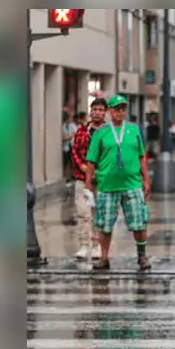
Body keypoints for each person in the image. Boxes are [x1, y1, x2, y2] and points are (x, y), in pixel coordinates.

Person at [85, 94, 151, 271]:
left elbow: (141, 156)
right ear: (109, 112)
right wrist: (88, 185)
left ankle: (142, 256)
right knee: (104, 225)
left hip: (132, 184)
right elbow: (91, 160)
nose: (121, 112)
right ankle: (104, 258)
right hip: (107, 186)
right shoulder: (101, 133)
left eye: (123, 108)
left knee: (139, 222)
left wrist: (146, 179)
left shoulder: (134, 130)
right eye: (117, 108)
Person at [70, 97, 107, 260]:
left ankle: (97, 245)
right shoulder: (82, 131)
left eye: (100, 110)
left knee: (100, 213)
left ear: (105, 112)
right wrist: (84, 168)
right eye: (94, 109)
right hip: (81, 178)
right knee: (83, 212)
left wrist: (99, 172)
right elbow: (74, 152)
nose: (97, 113)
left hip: (102, 180)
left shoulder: (109, 132)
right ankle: (84, 245)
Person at [62, 111, 78, 181]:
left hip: (69, 147)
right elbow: (63, 138)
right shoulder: (62, 126)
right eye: (68, 118)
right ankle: (65, 176)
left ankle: (70, 176)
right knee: (65, 163)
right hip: (64, 148)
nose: (69, 120)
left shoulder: (68, 125)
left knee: (71, 163)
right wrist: (71, 136)